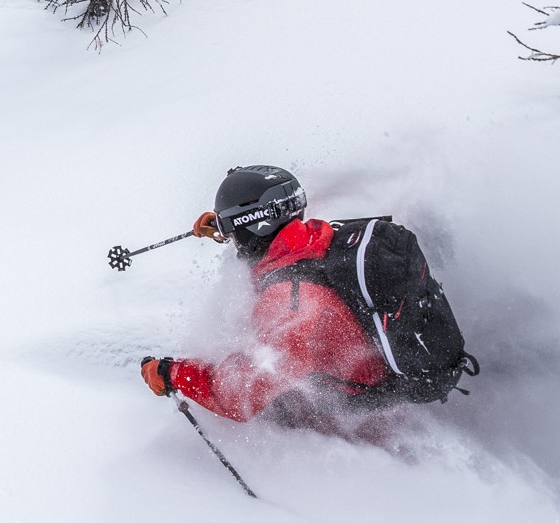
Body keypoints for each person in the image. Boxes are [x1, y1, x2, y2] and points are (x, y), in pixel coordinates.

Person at [137, 165, 468, 440]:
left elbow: (240, 396)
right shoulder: (314, 238)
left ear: (254, 224)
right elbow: (263, 238)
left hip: (368, 402)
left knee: (276, 409)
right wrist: (227, 223)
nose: (232, 242)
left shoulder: (290, 304)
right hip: (347, 351)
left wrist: (172, 374)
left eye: (233, 232)